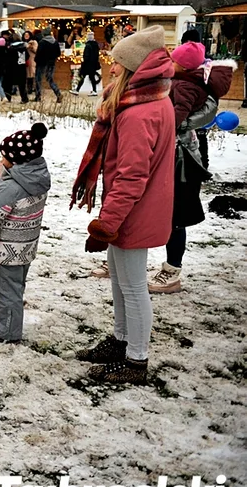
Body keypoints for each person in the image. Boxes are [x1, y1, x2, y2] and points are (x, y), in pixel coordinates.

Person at [72, 25, 175, 385]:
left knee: (133, 287)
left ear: (134, 68)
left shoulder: (138, 114)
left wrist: (107, 223)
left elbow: (132, 177)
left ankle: (136, 361)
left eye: (117, 63)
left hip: (135, 211)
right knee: (120, 281)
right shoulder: (147, 101)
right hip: (133, 208)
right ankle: (120, 341)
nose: (111, 68)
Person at [148, 34, 234, 294]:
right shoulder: (187, 80)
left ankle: (172, 272)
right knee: (166, 213)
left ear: (183, 66)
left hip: (181, 158)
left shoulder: (186, 86)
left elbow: (177, 115)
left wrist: (162, 124)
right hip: (174, 152)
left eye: (174, 61)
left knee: (177, 216)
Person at [0, 123, 51, 343]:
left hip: (8, 248)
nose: (1, 159)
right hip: (25, 244)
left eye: (4, 156)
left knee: (7, 290)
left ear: (16, 161)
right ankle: (4, 317)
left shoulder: (11, 187)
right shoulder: (35, 178)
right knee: (14, 286)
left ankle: (7, 332)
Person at [34, 30, 63, 103]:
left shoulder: (42, 42)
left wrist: (36, 60)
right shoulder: (55, 42)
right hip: (51, 63)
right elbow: (58, 53)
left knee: (38, 79)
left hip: (41, 63)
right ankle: (58, 93)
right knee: (50, 79)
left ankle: (38, 96)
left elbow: (39, 53)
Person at [8, 32, 29, 103]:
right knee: (22, 85)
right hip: (22, 67)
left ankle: (8, 97)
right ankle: (24, 98)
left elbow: (8, 58)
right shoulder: (23, 47)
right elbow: (27, 56)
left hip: (12, 68)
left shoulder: (11, 48)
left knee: (8, 83)